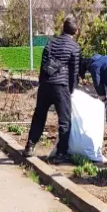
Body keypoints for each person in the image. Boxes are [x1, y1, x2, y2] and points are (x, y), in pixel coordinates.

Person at [24, 16, 80, 162]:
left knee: (39, 116)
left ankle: (30, 145)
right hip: (61, 87)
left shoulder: (51, 42)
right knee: (64, 120)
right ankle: (61, 153)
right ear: (76, 31)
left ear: (63, 28)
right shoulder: (74, 47)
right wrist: (71, 90)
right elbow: (74, 72)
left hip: (45, 85)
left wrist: (42, 82)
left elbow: (43, 64)